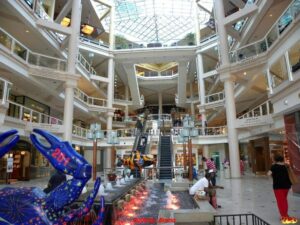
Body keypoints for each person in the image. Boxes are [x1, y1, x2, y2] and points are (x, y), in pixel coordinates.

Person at [268, 155, 297, 224]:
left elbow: (268, 174)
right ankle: (285, 214)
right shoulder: (286, 166)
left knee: (280, 201)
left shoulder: (273, 167)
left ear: (275, 160)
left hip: (278, 187)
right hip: (286, 186)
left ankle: (284, 216)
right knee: (284, 200)